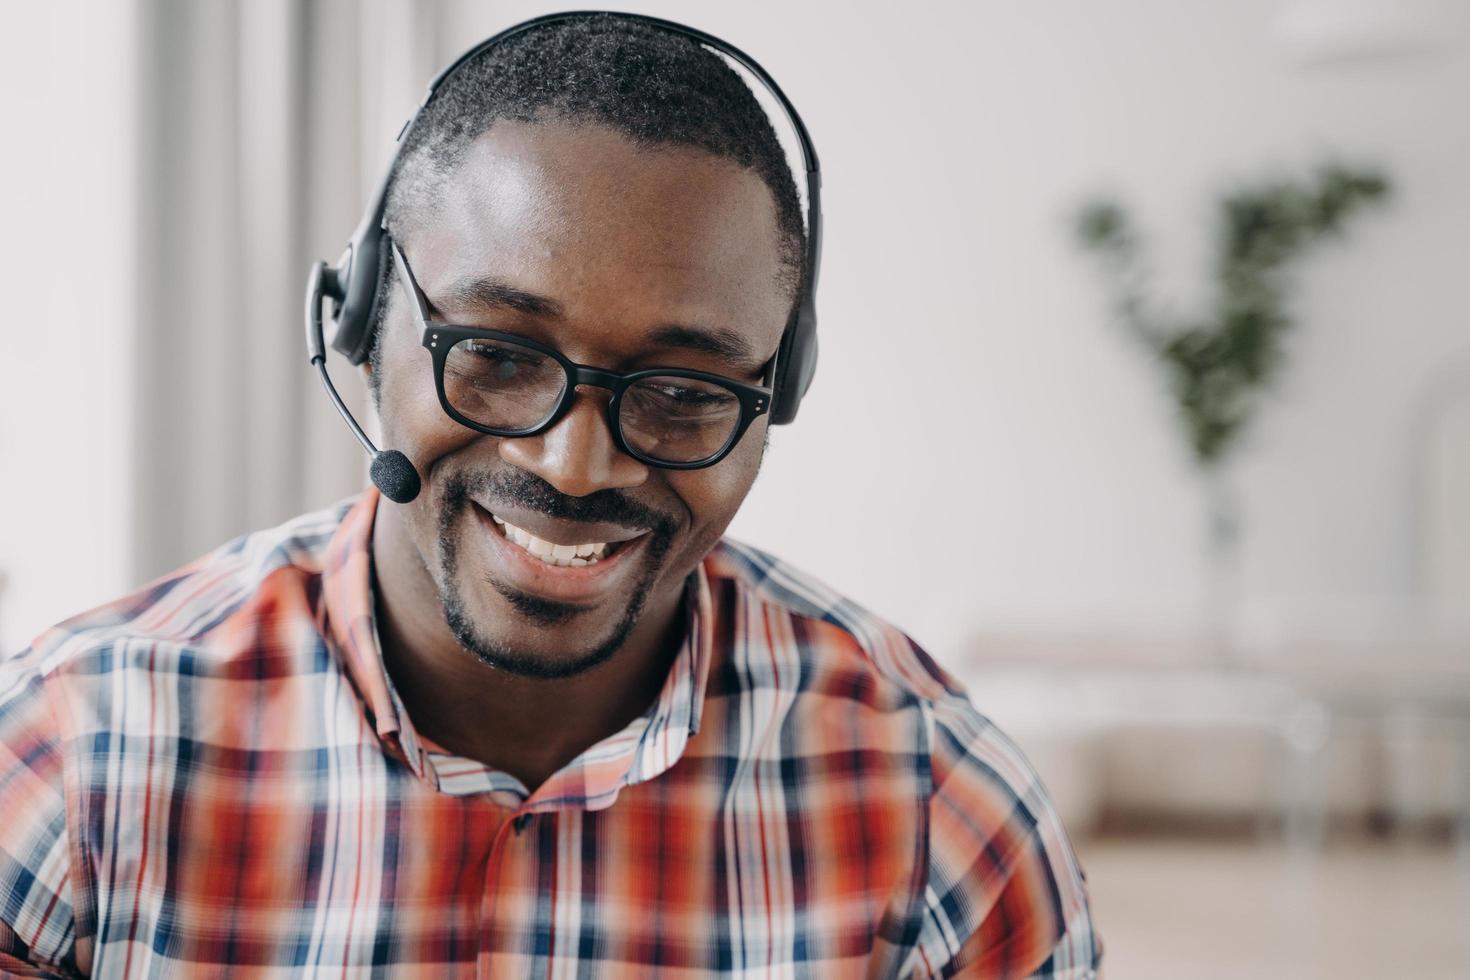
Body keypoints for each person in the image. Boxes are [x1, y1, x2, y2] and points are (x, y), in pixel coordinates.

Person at [0, 13, 1100, 978]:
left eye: (682, 389)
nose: (577, 465)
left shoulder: (941, 809)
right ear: (360, 320)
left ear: (780, 392)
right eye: (495, 351)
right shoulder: (70, 759)